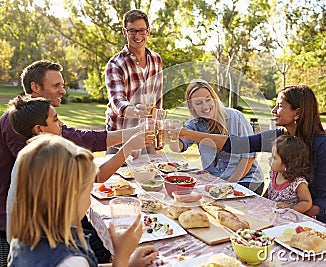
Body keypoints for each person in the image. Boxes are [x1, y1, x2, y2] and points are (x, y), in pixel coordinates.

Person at [0, 60, 141, 265]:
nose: (63, 91)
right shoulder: (28, 135)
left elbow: (81, 138)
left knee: (97, 246)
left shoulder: (36, 118)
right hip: (18, 220)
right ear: (35, 88)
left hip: (42, 223)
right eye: (56, 86)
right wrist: (121, 259)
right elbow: (94, 175)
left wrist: (133, 133)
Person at [179, 85, 326, 232]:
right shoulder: (280, 136)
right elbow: (237, 144)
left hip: (324, 222)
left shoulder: (323, 146)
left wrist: (290, 215)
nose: (274, 111)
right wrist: (186, 134)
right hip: (287, 217)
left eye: (280, 106)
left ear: (298, 113)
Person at [6, 95, 154, 239]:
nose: (62, 124)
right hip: (44, 241)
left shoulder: (31, 152)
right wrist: (128, 148)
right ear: (39, 129)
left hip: (27, 238)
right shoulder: (48, 158)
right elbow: (98, 176)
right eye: (56, 120)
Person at [7, 134, 158, 267]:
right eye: (88, 192)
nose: (90, 201)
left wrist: (128, 263)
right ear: (70, 198)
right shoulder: (68, 261)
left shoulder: (26, 236)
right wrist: (121, 255)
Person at [169, 79, 264, 194]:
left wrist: (228, 185)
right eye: (198, 103)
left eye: (208, 99)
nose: (205, 106)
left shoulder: (235, 118)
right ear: (192, 107)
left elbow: (249, 157)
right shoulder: (195, 124)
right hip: (216, 181)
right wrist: (172, 136)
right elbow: (178, 147)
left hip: (245, 179)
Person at [105, 9, 163, 154]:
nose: (137, 36)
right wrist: (135, 111)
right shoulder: (116, 64)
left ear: (148, 32)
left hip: (146, 135)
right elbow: (117, 102)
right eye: (132, 31)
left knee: (151, 175)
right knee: (115, 176)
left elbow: (158, 100)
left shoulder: (156, 60)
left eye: (141, 30)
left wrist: (158, 130)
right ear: (125, 32)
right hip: (120, 136)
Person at [264, 135, 312, 214]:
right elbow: (270, 190)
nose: (269, 159)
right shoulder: (274, 173)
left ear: (287, 164)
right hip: (272, 214)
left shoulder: (297, 183)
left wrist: (291, 209)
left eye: (274, 157)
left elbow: (306, 202)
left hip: (288, 219)